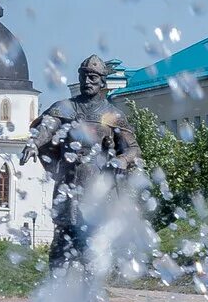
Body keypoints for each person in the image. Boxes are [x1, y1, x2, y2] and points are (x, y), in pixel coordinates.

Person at [29, 55, 140, 277]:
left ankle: (89, 294)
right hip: (69, 182)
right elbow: (48, 126)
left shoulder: (113, 116)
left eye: (93, 77)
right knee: (61, 240)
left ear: (102, 83)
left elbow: (133, 149)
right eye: (83, 77)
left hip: (97, 186)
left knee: (92, 244)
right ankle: (54, 290)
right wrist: (34, 143)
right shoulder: (66, 107)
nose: (87, 81)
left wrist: (121, 160)